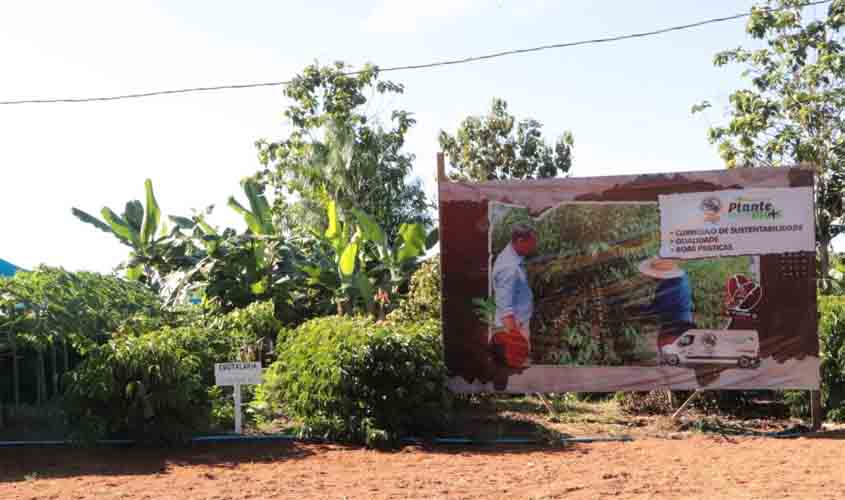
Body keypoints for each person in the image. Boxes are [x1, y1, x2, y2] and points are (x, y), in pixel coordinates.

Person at [491, 224, 538, 369]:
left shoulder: (513, 255)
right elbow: (505, 309)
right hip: (514, 325)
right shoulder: (509, 268)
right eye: (530, 244)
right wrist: (516, 341)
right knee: (518, 368)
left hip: (519, 321)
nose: (533, 248)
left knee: (518, 366)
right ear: (519, 241)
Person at [632, 257, 696, 354]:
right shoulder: (681, 278)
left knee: (670, 354)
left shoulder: (670, 285)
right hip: (684, 319)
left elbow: (657, 308)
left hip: (675, 323)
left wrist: (639, 310)